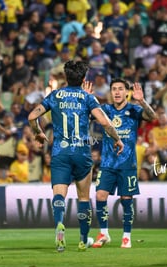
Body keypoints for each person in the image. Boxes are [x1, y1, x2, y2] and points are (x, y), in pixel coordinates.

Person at [28, 60, 124, 252]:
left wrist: (38, 132)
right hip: (82, 153)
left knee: (58, 195)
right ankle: (82, 239)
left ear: (65, 76)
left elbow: (32, 116)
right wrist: (117, 139)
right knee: (83, 198)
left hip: (60, 153)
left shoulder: (54, 95)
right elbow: (105, 123)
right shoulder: (88, 98)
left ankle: (59, 227)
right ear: (83, 78)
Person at [90, 79, 156, 249]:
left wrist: (141, 100)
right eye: (114, 89)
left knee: (126, 200)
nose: (117, 92)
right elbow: (87, 114)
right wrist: (87, 99)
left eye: (120, 89)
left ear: (127, 92)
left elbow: (152, 117)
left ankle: (126, 237)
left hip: (128, 163)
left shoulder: (134, 109)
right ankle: (104, 233)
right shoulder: (105, 110)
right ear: (111, 92)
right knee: (99, 196)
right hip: (107, 162)